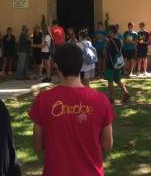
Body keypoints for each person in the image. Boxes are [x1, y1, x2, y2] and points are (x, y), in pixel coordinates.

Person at [29, 43, 114, 176]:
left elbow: (38, 146)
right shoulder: (101, 100)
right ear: (81, 65)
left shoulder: (43, 100)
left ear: (57, 67)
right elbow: (107, 145)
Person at [105, 25, 130, 102]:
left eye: (109, 31)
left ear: (111, 32)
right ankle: (125, 92)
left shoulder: (109, 42)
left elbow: (105, 52)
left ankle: (110, 97)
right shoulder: (120, 41)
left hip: (110, 63)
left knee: (110, 81)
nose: (108, 33)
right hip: (117, 63)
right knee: (117, 80)